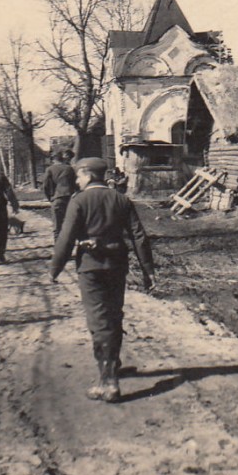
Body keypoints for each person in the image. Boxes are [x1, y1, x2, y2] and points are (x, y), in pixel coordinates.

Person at [50, 157, 156, 403]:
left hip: (91, 268)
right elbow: (139, 236)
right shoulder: (121, 199)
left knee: (99, 321)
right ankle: (113, 363)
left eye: (78, 176)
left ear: (87, 174)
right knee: (114, 315)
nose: (76, 180)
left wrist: (55, 268)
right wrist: (148, 270)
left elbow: (65, 239)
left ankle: (108, 383)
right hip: (117, 266)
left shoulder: (78, 201)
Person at [42, 150, 77, 241]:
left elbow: (45, 186)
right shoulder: (69, 168)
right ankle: (70, 247)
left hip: (57, 199)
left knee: (57, 227)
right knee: (70, 224)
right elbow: (76, 184)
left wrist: (50, 198)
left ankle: (59, 249)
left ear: (53, 159)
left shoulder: (50, 169)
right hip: (70, 199)